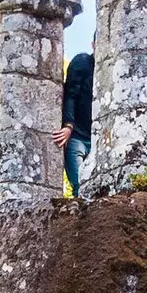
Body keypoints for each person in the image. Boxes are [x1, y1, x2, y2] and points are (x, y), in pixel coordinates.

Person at [54, 45, 94, 196]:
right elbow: (71, 93)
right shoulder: (82, 62)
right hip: (76, 136)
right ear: (93, 44)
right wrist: (68, 126)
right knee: (80, 185)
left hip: (96, 138)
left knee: (97, 189)